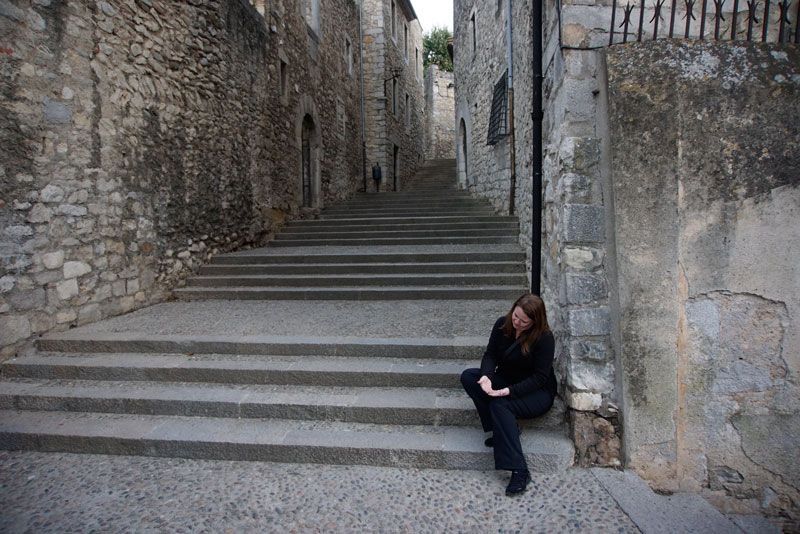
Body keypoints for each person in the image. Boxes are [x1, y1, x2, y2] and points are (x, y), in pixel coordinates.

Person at [460, 293, 557, 496]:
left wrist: (509, 391)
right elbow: (490, 354)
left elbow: (540, 377)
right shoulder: (502, 325)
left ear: (535, 321)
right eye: (516, 316)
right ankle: (499, 428)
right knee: (470, 377)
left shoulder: (544, 338)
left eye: (524, 321)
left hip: (536, 391)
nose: (518, 323)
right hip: (508, 379)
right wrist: (486, 376)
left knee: (500, 404)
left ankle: (519, 470)